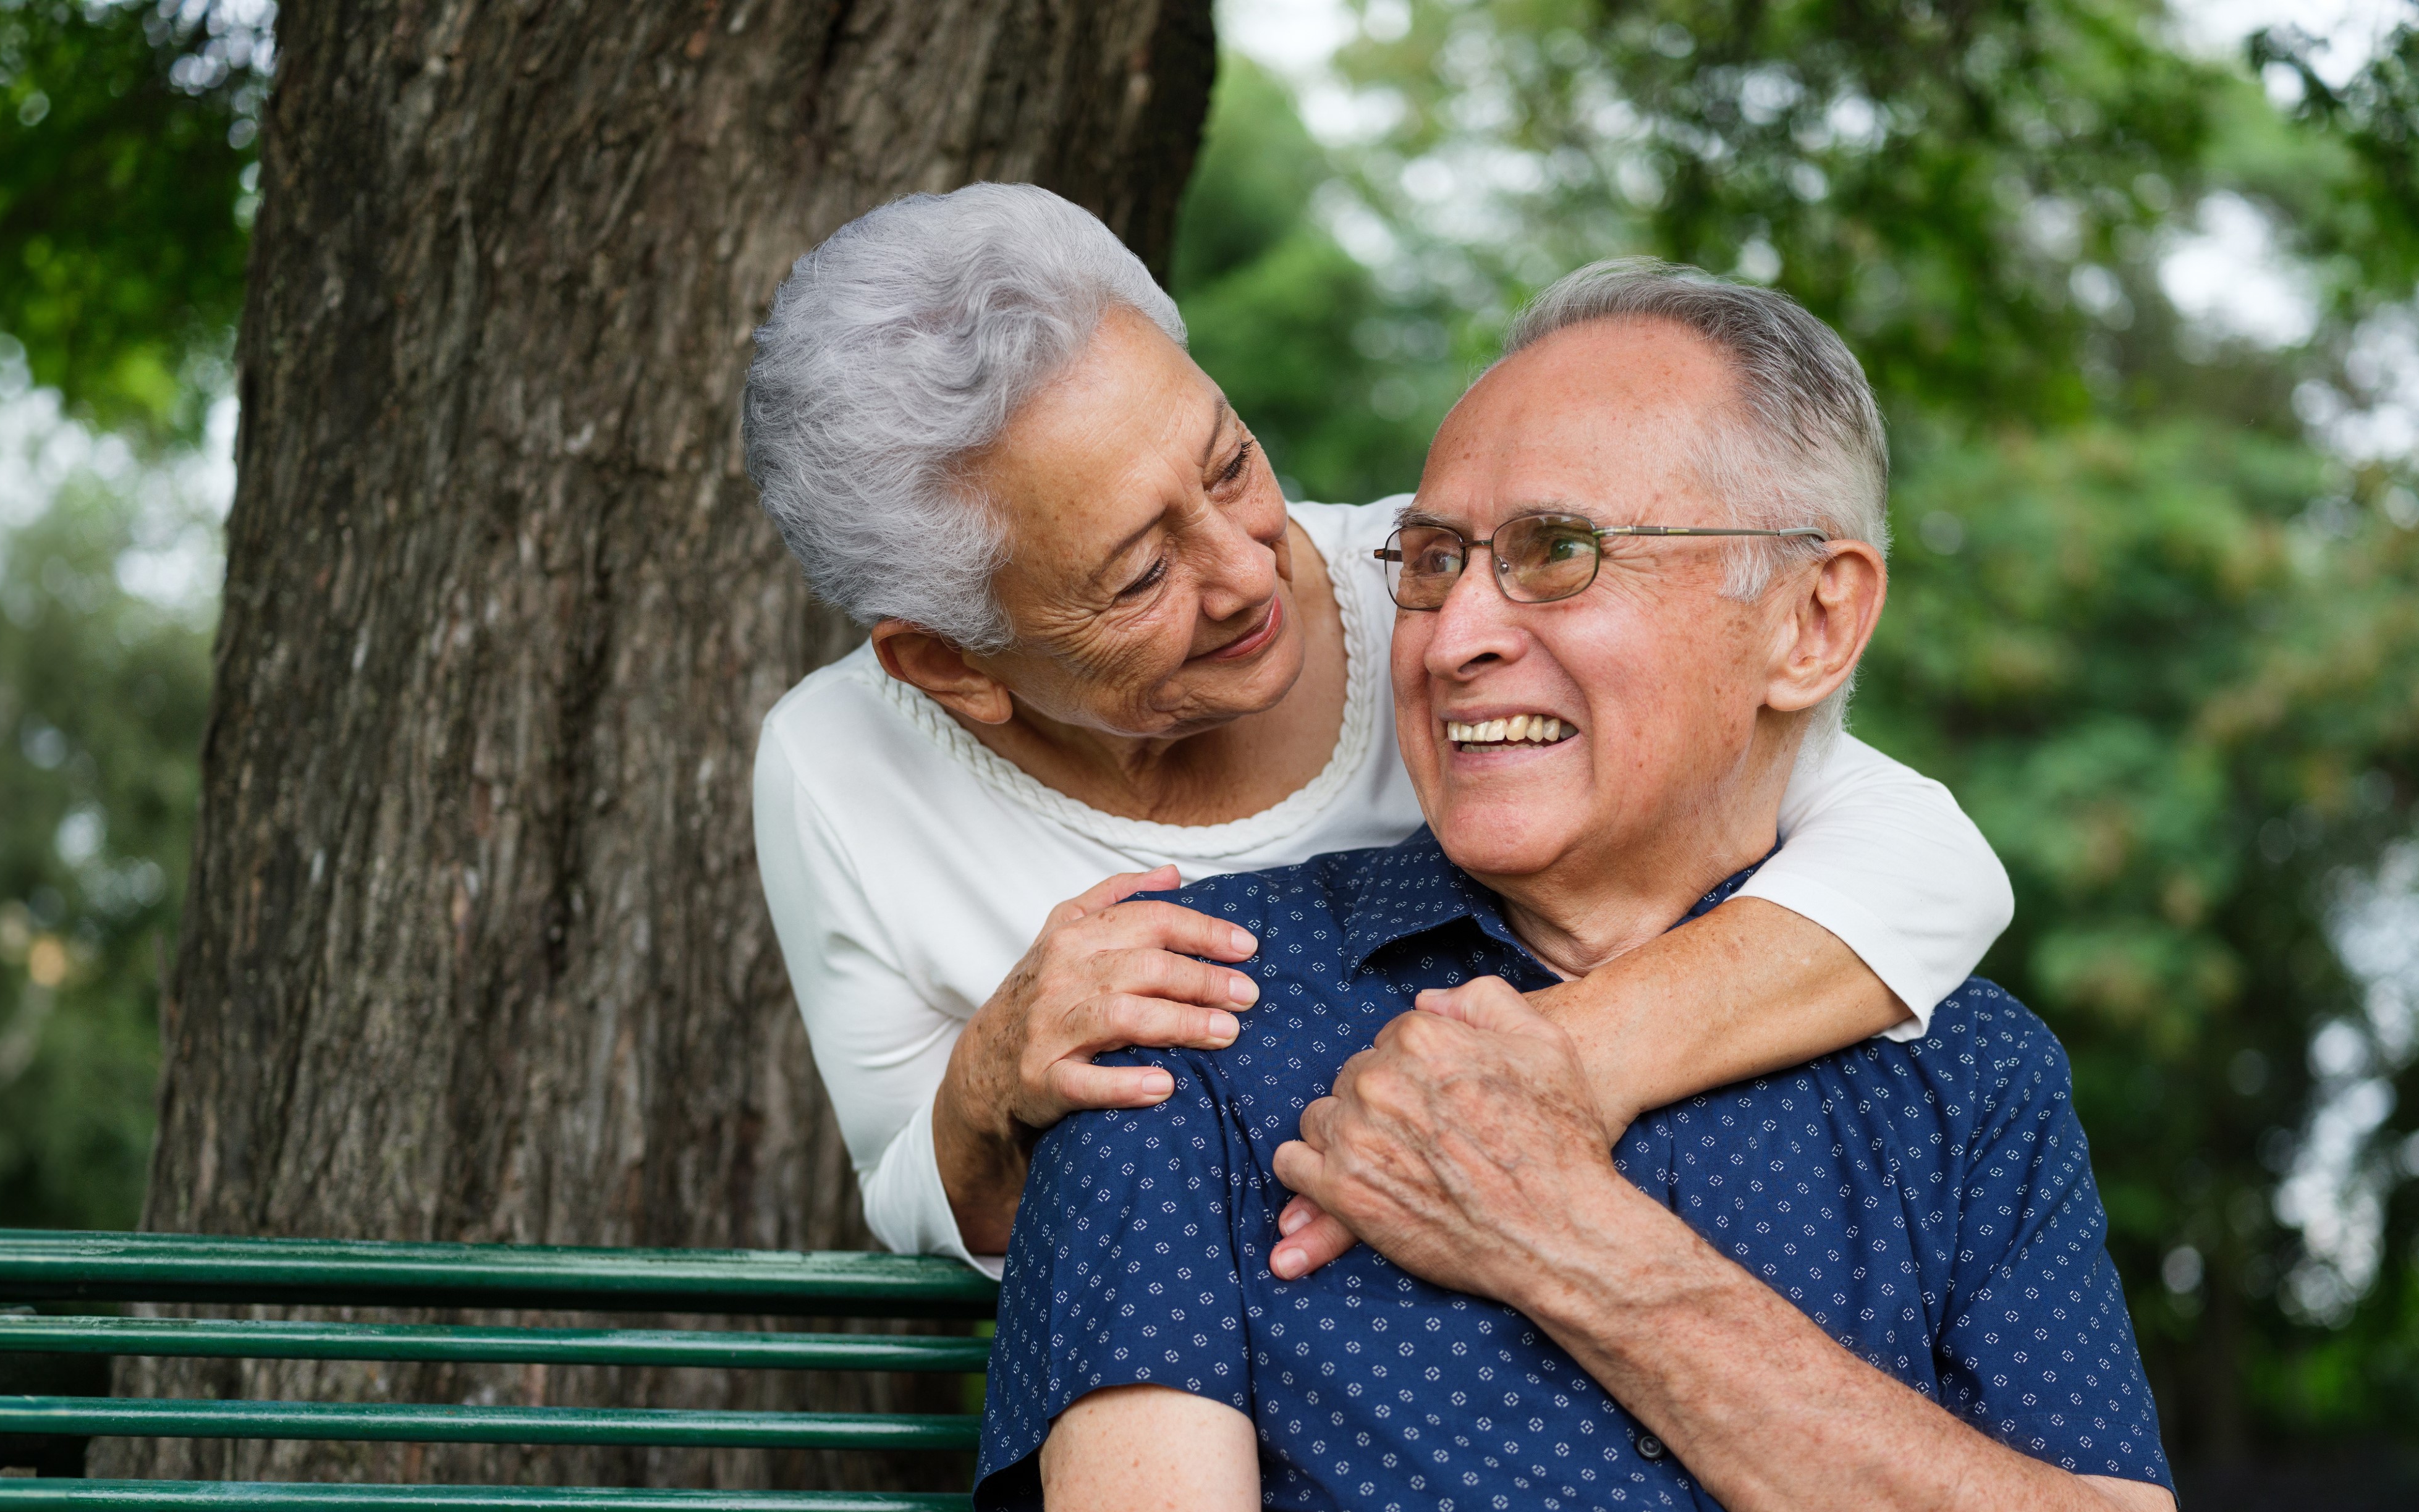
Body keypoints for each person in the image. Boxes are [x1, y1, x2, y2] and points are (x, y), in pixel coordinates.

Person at [977, 261, 2190, 1512]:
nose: (1461, 632)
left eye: (1554, 552)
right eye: (1430, 560)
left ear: (1813, 620)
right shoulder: (1189, 996)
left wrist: (1572, 1242)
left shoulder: (1965, 1074)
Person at [743, 185, 2014, 1276]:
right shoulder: (840, 765)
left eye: (1231, 464)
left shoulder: (1456, 588)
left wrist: (1548, 1063)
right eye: (1138, 579)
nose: (1250, 569)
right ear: (951, 665)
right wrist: (991, 1080)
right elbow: (918, 1189)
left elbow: (1927, 864)